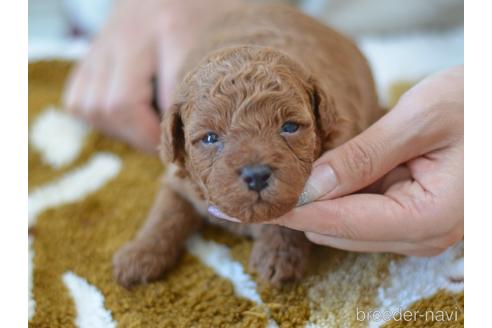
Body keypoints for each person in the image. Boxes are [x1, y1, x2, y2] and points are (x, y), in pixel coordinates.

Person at [63, 0, 463, 257]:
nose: (255, 165)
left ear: (323, 121)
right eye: (209, 139)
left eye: (290, 127)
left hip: (414, 29)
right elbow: (178, 185)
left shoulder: (339, 120)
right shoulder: (179, 129)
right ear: (174, 141)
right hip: (136, 34)